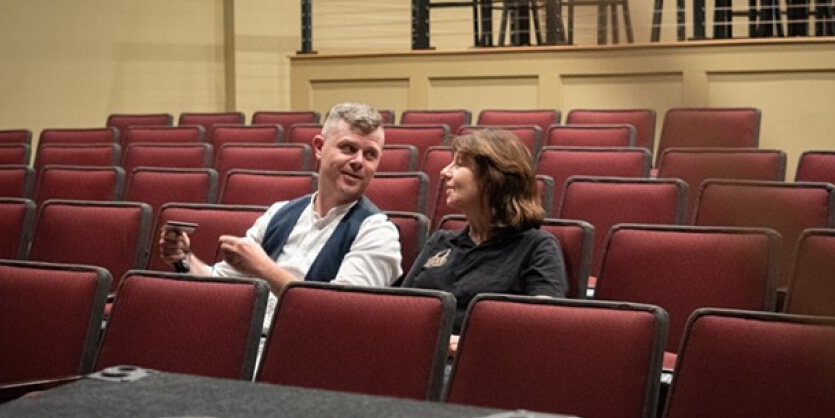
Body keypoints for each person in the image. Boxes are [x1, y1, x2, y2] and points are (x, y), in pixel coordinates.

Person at [159, 102, 403, 329]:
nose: (358, 161)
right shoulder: (280, 213)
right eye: (348, 148)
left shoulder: (378, 232)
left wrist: (263, 268)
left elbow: (339, 314)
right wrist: (186, 260)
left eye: (370, 154)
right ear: (319, 148)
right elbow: (222, 284)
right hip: (245, 337)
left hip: (306, 355)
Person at [402, 128, 567, 334]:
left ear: (493, 177)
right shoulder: (440, 241)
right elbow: (401, 309)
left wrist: (465, 344)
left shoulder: (537, 247)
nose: (445, 172)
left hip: (485, 361)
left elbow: (543, 326)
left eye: (459, 164)